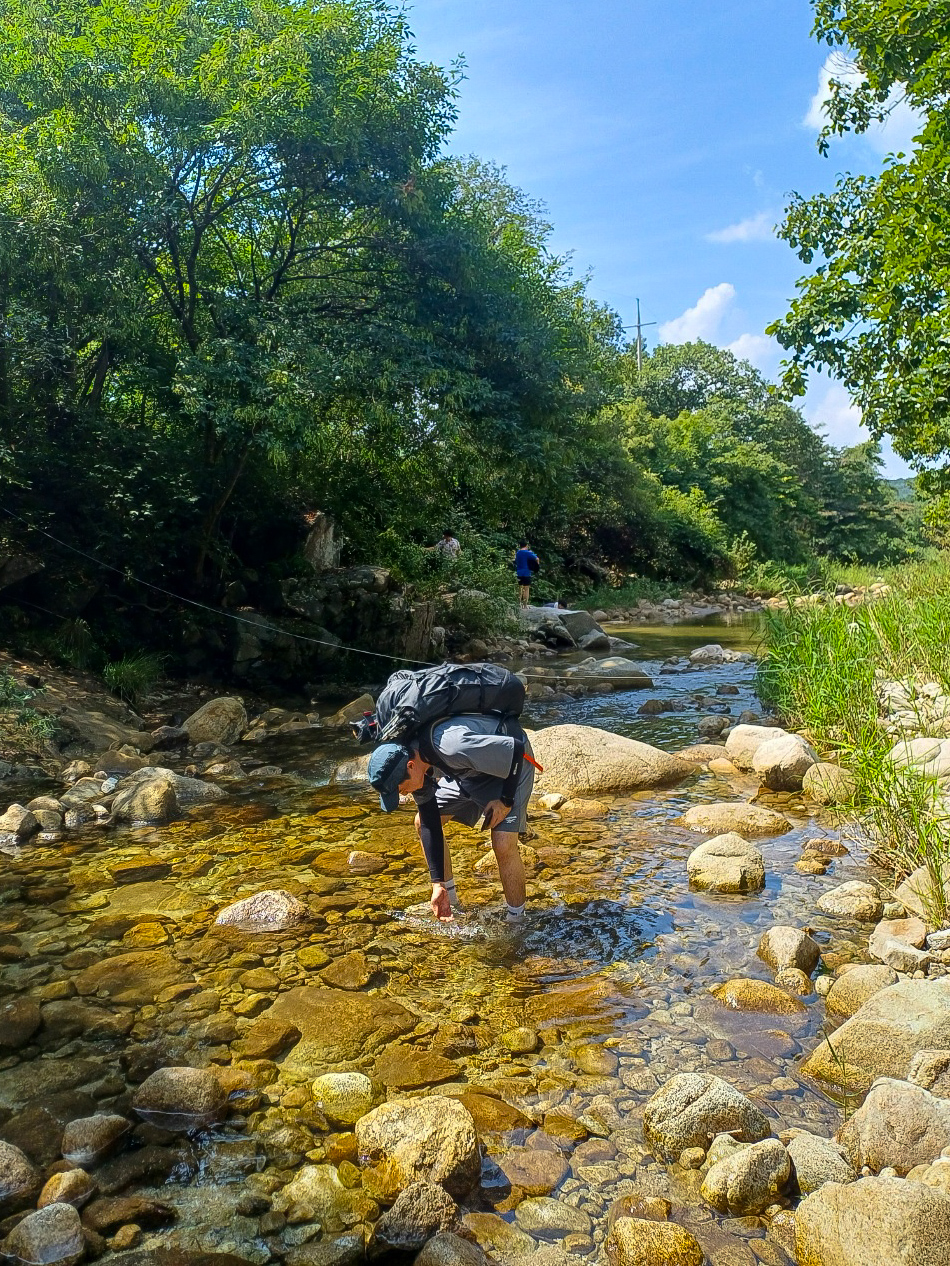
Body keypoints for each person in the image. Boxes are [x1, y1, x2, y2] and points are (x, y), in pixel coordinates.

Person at [367, 714, 535, 923]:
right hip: (468, 772)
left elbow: (516, 749)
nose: (403, 795)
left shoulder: (453, 746)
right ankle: (451, 902)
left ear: (411, 766)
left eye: (401, 789)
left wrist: (506, 801)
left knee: (502, 842)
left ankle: (517, 920)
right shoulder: (416, 768)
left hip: (508, 766)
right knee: (421, 822)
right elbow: (430, 823)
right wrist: (437, 883)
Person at [514, 539, 539, 608]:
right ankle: (525, 605)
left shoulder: (518, 553)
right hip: (526, 572)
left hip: (519, 572)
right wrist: (536, 567)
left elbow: (516, 561)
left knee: (519, 588)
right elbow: (537, 559)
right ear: (526, 545)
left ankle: (519, 604)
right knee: (526, 588)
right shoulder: (528, 553)